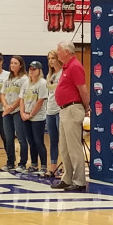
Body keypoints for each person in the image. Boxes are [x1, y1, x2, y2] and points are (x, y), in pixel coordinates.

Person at [52, 42, 90, 192]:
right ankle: (67, 178)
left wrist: (86, 107)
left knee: (74, 147)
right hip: (64, 110)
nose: (57, 53)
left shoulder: (75, 67)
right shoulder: (66, 67)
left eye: (59, 50)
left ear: (66, 52)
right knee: (64, 147)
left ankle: (79, 180)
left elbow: (83, 90)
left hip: (73, 109)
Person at [19, 61, 48, 175]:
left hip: (37, 117)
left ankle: (44, 166)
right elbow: (21, 99)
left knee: (38, 141)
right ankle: (34, 164)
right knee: (31, 141)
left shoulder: (42, 83)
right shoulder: (26, 83)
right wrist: (22, 113)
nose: (31, 71)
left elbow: (40, 101)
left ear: (39, 70)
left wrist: (31, 114)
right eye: (30, 68)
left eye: (34, 69)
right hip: (26, 116)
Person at [1, 55, 27, 172]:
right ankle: (10, 162)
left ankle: (22, 163)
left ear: (20, 65)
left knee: (21, 138)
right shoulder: (8, 79)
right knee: (8, 138)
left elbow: (22, 96)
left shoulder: (24, 79)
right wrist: (6, 106)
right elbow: (2, 94)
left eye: (15, 63)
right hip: (7, 111)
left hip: (17, 111)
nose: (12, 65)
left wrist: (12, 107)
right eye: (11, 63)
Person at [44, 49, 63, 177]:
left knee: (63, 141)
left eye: (53, 58)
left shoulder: (63, 73)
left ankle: (66, 168)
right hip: (49, 110)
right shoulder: (49, 75)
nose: (51, 61)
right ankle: (53, 168)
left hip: (60, 110)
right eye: (49, 59)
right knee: (53, 141)